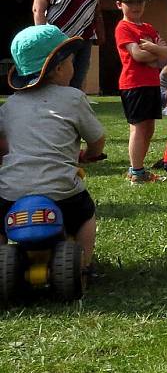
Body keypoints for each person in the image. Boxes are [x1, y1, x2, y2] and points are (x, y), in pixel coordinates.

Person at [0, 25, 105, 272]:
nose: (73, 65)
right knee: (85, 215)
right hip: (61, 192)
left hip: (11, 191)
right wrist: (91, 155)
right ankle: (84, 264)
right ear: (58, 68)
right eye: (71, 61)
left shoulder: (10, 105)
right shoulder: (74, 98)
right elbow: (97, 139)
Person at [114, 0, 167, 184]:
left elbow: (166, 54)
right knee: (138, 128)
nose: (136, 6)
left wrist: (154, 51)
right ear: (119, 4)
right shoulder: (123, 27)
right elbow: (137, 55)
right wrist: (155, 51)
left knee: (149, 128)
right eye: (130, 2)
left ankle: (138, 169)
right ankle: (136, 172)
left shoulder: (148, 27)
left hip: (151, 83)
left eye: (140, 1)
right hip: (133, 84)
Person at [31, 0, 104, 90]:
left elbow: (88, 3)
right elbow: (37, 9)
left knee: (78, 76)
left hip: (85, 37)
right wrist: (43, 38)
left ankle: (73, 106)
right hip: (59, 38)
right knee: (59, 77)